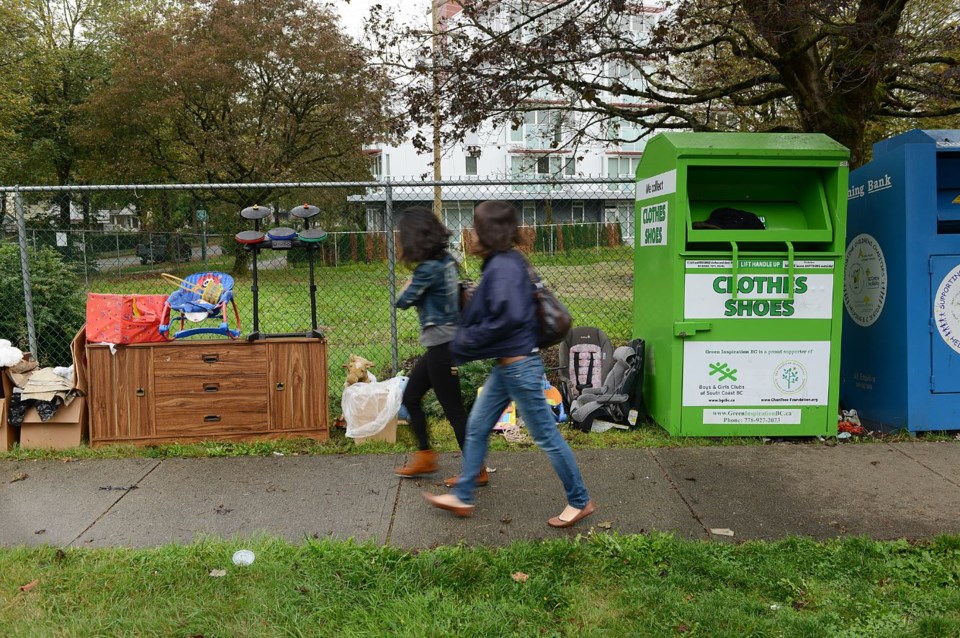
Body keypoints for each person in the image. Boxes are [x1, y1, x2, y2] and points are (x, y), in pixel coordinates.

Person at [421, 200, 595, 528]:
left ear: (487, 230)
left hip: (520, 367)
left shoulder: (503, 266)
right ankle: (464, 496)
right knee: (476, 426)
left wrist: (466, 341)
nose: (472, 232)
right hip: (508, 367)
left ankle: (580, 500)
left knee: (546, 436)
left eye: (476, 225)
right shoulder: (506, 261)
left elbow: (510, 318)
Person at [393, 207, 471, 481]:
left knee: (454, 411)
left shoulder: (427, 269)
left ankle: (476, 471)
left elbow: (402, 301)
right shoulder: (448, 261)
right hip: (443, 345)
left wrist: (409, 281)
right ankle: (425, 456)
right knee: (411, 397)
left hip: (443, 346)